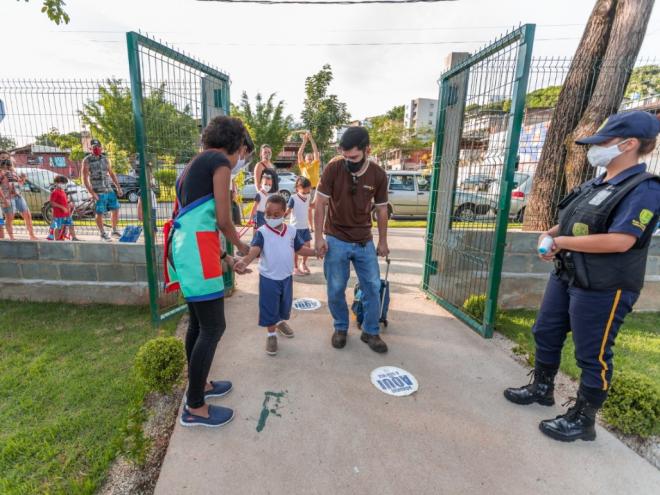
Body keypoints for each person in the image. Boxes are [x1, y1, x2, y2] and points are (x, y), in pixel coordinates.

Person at [504, 110, 660, 443]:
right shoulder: (598, 181)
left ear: (629, 144)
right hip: (569, 274)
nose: (595, 148)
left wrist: (560, 242)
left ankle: (583, 419)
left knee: (593, 353)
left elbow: (621, 240)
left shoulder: (643, 189)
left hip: (605, 285)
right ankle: (542, 387)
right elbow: (576, 219)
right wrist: (551, 232)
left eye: (603, 142)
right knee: (546, 330)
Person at [167, 116, 252, 428]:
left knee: (199, 325)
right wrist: (243, 248)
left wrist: (227, 258)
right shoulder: (219, 161)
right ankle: (195, 407)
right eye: (242, 152)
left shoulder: (193, 165)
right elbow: (222, 219)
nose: (241, 158)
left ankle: (198, 386)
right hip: (197, 252)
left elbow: (198, 221)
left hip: (189, 248)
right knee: (213, 328)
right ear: (236, 145)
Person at [314, 126, 390, 354]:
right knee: (335, 288)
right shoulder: (334, 168)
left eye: (354, 157)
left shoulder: (378, 174)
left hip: (364, 241)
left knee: (373, 287)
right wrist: (318, 238)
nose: (349, 161)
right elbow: (319, 204)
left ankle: (371, 330)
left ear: (368, 149)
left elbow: (382, 210)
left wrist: (383, 241)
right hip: (336, 239)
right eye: (345, 156)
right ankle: (340, 327)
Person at [235, 195, 316, 356]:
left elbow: (300, 249)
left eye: (276, 215)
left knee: (283, 306)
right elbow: (255, 250)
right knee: (269, 307)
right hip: (269, 279)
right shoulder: (262, 232)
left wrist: (315, 252)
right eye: (268, 214)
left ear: (284, 213)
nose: (271, 218)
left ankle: (279, 322)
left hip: (286, 278)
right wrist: (245, 261)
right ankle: (271, 334)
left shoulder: (291, 231)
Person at [81, 139, 123, 242]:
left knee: (116, 208)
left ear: (101, 147)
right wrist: (92, 193)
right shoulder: (86, 160)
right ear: (90, 148)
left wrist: (118, 187)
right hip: (98, 191)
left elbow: (111, 173)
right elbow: (84, 179)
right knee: (99, 212)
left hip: (109, 189)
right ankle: (102, 233)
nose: (97, 149)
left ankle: (113, 230)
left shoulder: (105, 159)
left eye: (98, 147)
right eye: (94, 147)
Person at [0, 150, 37, 241]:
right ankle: (12, 237)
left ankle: (32, 235)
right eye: (3, 158)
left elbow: (18, 184)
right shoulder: (1, 172)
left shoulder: (13, 171)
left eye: (7, 157)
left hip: (18, 196)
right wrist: (4, 199)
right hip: (7, 197)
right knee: (10, 217)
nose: (5, 159)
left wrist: (23, 180)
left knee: (27, 215)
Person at [286, 176, 314, 275]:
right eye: (305, 191)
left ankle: (303, 264)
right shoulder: (293, 198)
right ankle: (295, 267)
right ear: (298, 188)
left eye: (308, 191)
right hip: (295, 228)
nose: (307, 193)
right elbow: (288, 211)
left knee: (308, 247)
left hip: (305, 227)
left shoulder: (309, 196)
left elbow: (309, 207)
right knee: (296, 249)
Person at [49, 175, 79, 241]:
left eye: (65, 183)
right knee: (58, 227)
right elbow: (52, 203)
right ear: (56, 183)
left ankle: (74, 237)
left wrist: (69, 204)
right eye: (62, 183)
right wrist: (62, 207)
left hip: (66, 213)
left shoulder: (62, 191)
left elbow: (64, 201)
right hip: (59, 214)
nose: (64, 185)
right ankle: (57, 239)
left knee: (71, 225)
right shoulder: (55, 192)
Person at [297, 131, 321, 198]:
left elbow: (316, 151)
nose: (310, 159)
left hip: (315, 189)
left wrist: (311, 139)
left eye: (311, 158)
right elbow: (299, 154)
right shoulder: (303, 165)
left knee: (315, 207)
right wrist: (304, 141)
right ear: (305, 159)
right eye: (308, 158)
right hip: (305, 189)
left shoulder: (315, 164)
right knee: (306, 207)